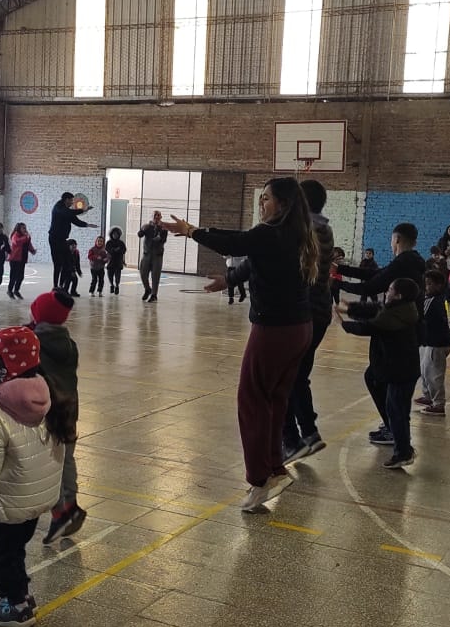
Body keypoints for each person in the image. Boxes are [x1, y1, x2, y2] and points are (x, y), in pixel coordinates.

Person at [163, 177, 318, 511]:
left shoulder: (269, 233)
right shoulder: (294, 233)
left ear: (283, 204)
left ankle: (260, 480)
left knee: (251, 400)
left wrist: (192, 231)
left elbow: (235, 244)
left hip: (275, 330)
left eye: (267, 198)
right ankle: (274, 468)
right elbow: (251, 260)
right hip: (299, 328)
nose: (261, 203)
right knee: (274, 399)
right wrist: (229, 279)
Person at [0, 326, 63, 627]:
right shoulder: (45, 392)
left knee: (0, 550)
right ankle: (23, 592)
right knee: (16, 547)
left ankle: (15, 606)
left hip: (9, 497)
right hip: (35, 494)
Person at [337, 277, 422, 468]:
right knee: (395, 407)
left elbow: (368, 326)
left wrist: (342, 323)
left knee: (397, 411)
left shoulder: (393, 317)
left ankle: (403, 452)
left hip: (400, 371)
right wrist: (351, 308)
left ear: (398, 295)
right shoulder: (401, 308)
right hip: (398, 368)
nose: (386, 292)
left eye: (390, 289)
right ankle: (401, 444)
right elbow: (376, 309)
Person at [28, 290, 87, 544]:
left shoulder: (35, 343)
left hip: (48, 411)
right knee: (65, 458)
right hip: (69, 409)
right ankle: (70, 505)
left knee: (47, 464)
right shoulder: (69, 344)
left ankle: (61, 512)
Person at [282, 178, 334, 464]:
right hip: (320, 311)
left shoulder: (303, 231)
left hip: (305, 312)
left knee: (285, 376)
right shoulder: (324, 228)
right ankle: (308, 434)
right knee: (298, 375)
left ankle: (294, 439)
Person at [337, 224, 425, 303]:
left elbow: (369, 288)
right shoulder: (415, 260)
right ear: (415, 243)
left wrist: (336, 283)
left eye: (391, 239)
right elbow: (374, 274)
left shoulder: (401, 263)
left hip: (399, 315)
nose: (391, 244)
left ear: (397, 239)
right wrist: (339, 269)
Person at [417, 270, 450, 415]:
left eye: (430, 284)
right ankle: (428, 395)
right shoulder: (431, 298)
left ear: (439, 285)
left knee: (434, 374)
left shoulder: (434, 301)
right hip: (430, 341)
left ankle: (438, 404)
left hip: (437, 344)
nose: (426, 287)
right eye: (426, 284)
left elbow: (421, 317)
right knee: (424, 370)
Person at [48, 193, 95, 290]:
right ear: (66, 199)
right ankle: (55, 286)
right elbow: (68, 213)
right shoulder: (58, 207)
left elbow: (75, 221)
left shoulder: (67, 211)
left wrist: (87, 225)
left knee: (67, 262)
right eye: (71, 200)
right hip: (54, 239)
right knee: (58, 264)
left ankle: (62, 285)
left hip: (62, 240)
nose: (72, 202)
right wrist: (83, 210)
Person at [138, 211, 168, 302]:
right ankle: (147, 289)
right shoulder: (147, 227)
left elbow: (164, 240)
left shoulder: (163, 228)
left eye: (158, 215)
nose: (157, 217)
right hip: (147, 254)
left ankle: (154, 295)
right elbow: (139, 235)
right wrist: (142, 229)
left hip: (157, 255)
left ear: (161, 217)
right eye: (155, 215)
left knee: (155, 275)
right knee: (143, 273)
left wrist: (160, 238)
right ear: (152, 216)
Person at [7, 223, 37, 299]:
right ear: (19, 229)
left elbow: (29, 245)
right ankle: (9, 290)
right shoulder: (15, 235)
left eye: (25, 228)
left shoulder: (26, 237)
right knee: (13, 276)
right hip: (14, 259)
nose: (25, 229)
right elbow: (16, 242)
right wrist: (26, 237)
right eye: (23, 228)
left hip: (22, 259)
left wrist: (32, 250)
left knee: (20, 277)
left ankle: (16, 290)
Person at [105, 227, 127, 295]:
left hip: (118, 261)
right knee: (110, 275)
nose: (115, 235)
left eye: (116, 234)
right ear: (111, 234)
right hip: (110, 261)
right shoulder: (109, 242)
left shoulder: (121, 243)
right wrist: (114, 250)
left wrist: (119, 251)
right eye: (114, 234)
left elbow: (124, 251)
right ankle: (112, 285)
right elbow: (107, 249)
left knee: (117, 276)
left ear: (119, 235)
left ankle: (117, 286)